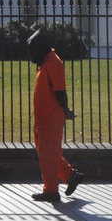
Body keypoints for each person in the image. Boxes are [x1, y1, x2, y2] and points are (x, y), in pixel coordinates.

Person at [27, 27, 83, 202]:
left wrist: (66, 111)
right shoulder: (47, 62)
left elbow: (60, 92)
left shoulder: (53, 62)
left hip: (50, 118)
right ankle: (70, 175)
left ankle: (51, 190)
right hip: (45, 118)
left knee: (47, 155)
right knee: (48, 153)